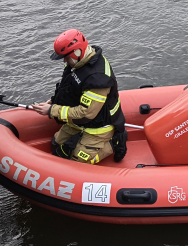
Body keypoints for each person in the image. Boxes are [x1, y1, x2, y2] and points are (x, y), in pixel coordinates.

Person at [32, 29, 127, 164]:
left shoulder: (98, 79)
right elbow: (68, 88)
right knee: (56, 144)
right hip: (78, 123)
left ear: (77, 52)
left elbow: (86, 114)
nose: (64, 60)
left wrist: (52, 110)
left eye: (66, 56)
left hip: (98, 128)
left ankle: (114, 143)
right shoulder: (78, 63)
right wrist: (54, 101)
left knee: (78, 161)